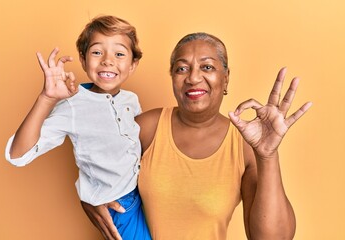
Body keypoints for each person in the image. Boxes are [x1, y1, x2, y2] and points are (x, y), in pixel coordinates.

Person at [81, 32, 312, 240]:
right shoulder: (146, 129)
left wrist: (268, 156)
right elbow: (96, 168)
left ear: (226, 77)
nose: (193, 78)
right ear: (172, 77)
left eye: (207, 67)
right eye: (182, 68)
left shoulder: (243, 144)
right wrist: (89, 199)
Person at [4, 15, 151, 240]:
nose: (108, 60)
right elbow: (18, 155)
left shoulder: (131, 100)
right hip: (120, 206)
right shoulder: (73, 104)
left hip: (146, 196)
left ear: (133, 65)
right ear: (83, 60)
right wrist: (47, 98)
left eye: (119, 53)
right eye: (97, 52)